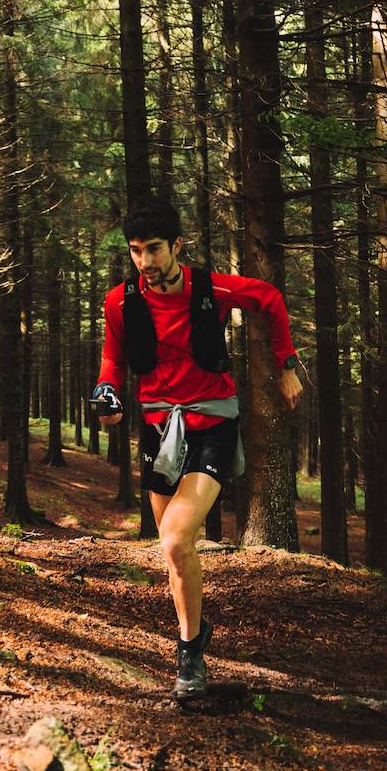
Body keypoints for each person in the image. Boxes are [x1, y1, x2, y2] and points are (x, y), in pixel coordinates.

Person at [92, 197, 302, 699]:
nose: (145, 261)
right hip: (157, 426)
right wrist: (108, 392)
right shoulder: (120, 301)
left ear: (177, 247)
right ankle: (197, 633)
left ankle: (188, 655)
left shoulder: (212, 288)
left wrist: (286, 363)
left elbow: (270, 299)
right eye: (137, 251)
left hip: (213, 422)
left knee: (174, 537)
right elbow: (113, 355)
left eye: (155, 249)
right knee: (175, 548)